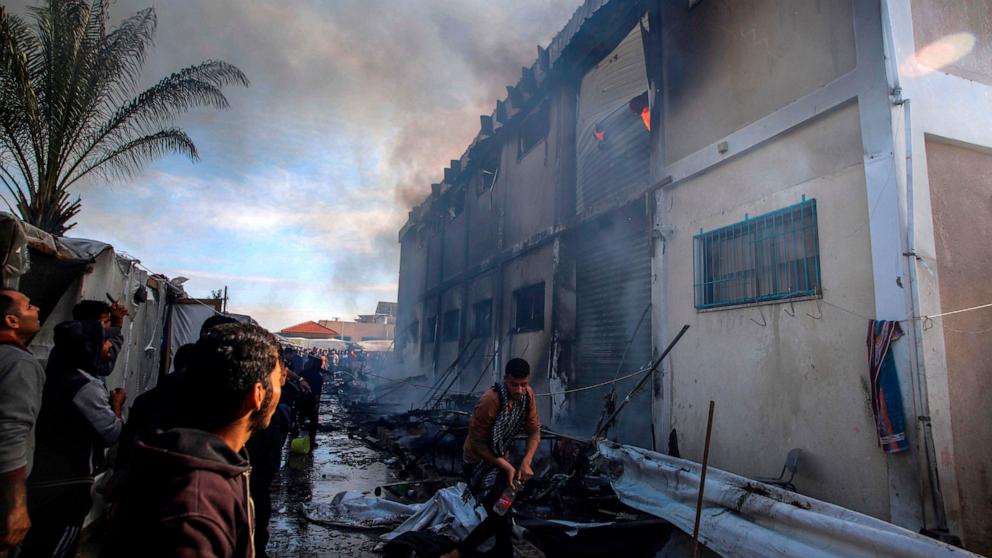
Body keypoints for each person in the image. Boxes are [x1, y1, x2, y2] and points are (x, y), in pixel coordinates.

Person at [102, 323, 284, 558]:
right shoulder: (197, 506)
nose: (281, 387)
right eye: (279, 378)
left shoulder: (201, 460)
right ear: (257, 394)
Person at [20, 320, 126, 558]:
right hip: (68, 487)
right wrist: (117, 407)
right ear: (89, 347)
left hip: (44, 478)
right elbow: (111, 433)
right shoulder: (85, 386)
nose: (108, 345)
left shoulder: (55, 375)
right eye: (104, 340)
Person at [443, 358, 541, 558]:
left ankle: (502, 552)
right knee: (499, 512)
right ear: (506, 379)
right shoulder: (490, 400)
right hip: (477, 463)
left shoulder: (528, 397)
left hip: (501, 461)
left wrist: (526, 461)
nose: (520, 390)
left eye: (524, 384)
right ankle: (457, 553)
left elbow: (534, 432)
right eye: (515, 384)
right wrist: (506, 467)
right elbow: (477, 444)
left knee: (502, 510)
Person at [0, 290, 43, 554]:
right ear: (12, 321)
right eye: (28, 306)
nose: (36, 308)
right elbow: (11, 431)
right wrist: (17, 505)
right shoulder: (18, 362)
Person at [71, 299, 128, 377]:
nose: (109, 324)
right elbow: (107, 367)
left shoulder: (74, 337)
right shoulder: (86, 354)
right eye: (107, 321)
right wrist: (116, 325)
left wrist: (116, 325)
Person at [299, 356, 325, 449]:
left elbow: (297, 383)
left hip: (301, 400)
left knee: (300, 421)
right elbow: (317, 393)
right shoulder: (318, 377)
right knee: (313, 423)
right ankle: (311, 442)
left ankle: (294, 441)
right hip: (311, 401)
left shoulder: (303, 373)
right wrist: (317, 405)